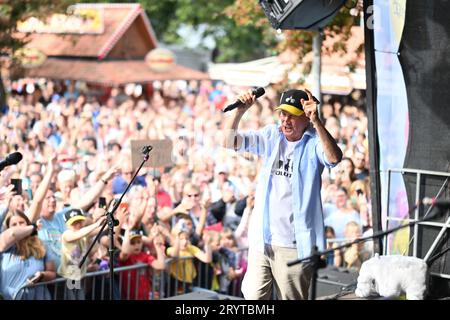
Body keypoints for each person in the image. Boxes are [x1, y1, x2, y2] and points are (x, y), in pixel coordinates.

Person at [223, 88, 342, 300]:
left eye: (292, 115)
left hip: (294, 245)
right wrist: (239, 112)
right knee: (253, 298)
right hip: (262, 240)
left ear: (305, 117)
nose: (285, 120)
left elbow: (334, 157)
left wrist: (318, 122)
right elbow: (229, 142)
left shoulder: (314, 142)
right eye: (282, 114)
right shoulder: (271, 136)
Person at [0, 210, 56, 300]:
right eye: (14, 225)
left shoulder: (41, 245)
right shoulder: (5, 247)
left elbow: (52, 273)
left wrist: (42, 275)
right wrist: (33, 228)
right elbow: (12, 234)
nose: (18, 227)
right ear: (8, 228)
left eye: (21, 223)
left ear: (27, 223)